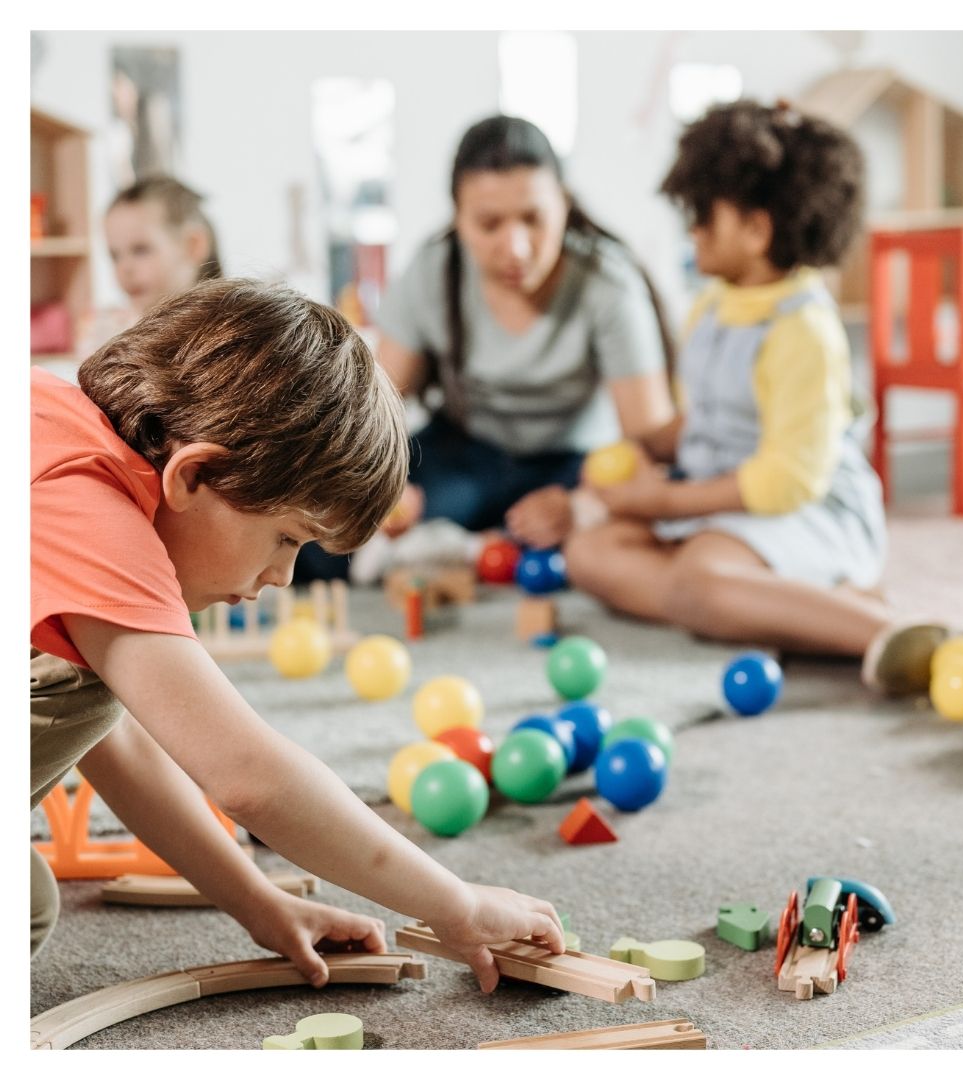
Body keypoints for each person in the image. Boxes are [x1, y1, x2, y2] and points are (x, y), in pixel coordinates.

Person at [31, 278, 564, 988]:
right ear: (193, 475)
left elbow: (115, 739)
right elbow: (249, 778)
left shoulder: (49, 421)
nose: (283, 575)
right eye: (286, 538)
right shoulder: (91, 516)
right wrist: (453, 902)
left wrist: (256, 900)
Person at [563, 100, 947, 694]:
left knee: (698, 579)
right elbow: (713, 416)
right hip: (726, 511)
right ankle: (791, 605)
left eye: (703, 216)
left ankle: (885, 629)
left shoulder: (803, 329)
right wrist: (650, 448)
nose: (691, 230)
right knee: (589, 551)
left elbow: (786, 480)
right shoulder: (713, 304)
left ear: (757, 229)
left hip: (804, 512)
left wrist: (662, 502)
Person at [293, 114, 678, 582]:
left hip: (570, 463)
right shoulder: (434, 271)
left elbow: (649, 441)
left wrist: (579, 504)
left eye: (533, 219)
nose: (515, 248)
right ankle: (478, 543)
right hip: (464, 453)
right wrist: (386, 481)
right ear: (458, 218)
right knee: (323, 540)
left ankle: (474, 544)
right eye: (489, 224)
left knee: (625, 535)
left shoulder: (608, 282)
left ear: (564, 204)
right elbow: (376, 405)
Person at [76, 176, 223, 359]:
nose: (125, 268)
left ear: (193, 246)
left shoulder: (222, 332)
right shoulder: (111, 329)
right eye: (115, 256)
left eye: (141, 250)